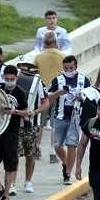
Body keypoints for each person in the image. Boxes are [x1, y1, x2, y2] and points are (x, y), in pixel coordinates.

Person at [0, 65, 29, 200]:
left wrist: (14, 112)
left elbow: (26, 112)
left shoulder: (20, 92)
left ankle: (6, 195)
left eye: (12, 79)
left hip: (11, 133)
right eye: (7, 79)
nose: (9, 81)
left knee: (10, 165)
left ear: (16, 78)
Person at [48, 55, 91, 185]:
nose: (69, 70)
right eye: (66, 68)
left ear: (76, 66)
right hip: (60, 116)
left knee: (71, 144)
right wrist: (57, 94)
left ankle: (67, 174)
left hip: (76, 118)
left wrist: (82, 98)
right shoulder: (58, 80)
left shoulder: (84, 80)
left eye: (71, 68)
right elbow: (48, 96)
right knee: (57, 145)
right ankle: (66, 162)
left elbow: (90, 97)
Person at [33, 31, 66, 163]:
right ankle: (53, 152)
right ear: (56, 42)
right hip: (58, 93)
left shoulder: (38, 57)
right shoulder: (63, 56)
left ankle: (37, 149)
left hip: (43, 94)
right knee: (54, 124)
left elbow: (35, 75)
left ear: (44, 43)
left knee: (39, 123)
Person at [16, 65, 49, 193]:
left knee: (30, 154)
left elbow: (45, 102)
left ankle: (28, 181)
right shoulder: (13, 81)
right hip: (15, 125)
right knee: (14, 155)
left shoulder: (39, 83)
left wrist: (35, 112)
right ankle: (12, 183)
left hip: (32, 124)